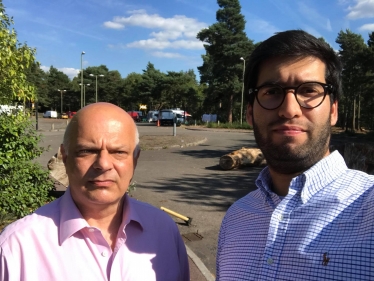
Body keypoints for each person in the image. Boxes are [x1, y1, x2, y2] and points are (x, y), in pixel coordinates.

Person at [216, 30, 374, 280]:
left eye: (309, 90)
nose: (289, 110)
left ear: (333, 111)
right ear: (249, 112)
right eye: (271, 91)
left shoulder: (368, 205)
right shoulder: (236, 218)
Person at [0, 103, 189, 281]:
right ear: (65, 158)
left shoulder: (164, 231)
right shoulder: (16, 247)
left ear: (135, 160)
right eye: (87, 151)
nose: (103, 164)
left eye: (118, 152)